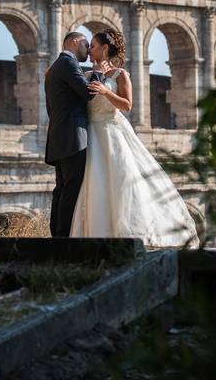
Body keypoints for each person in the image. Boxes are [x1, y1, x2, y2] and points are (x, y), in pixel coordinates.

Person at [71, 28, 199, 248]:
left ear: (104, 48)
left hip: (111, 133)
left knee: (119, 184)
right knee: (93, 186)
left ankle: (122, 237)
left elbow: (128, 105)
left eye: (92, 46)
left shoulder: (121, 74)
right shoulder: (85, 76)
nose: (89, 51)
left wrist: (105, 92)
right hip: (91, 133)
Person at [43, 31, 95, 237]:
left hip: (59, 138)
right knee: (71, 188)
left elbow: (50, 108)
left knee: (61, 190)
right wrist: (98, 72)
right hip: (73, 137)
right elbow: (88, 92)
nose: (88, 50)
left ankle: (57, 234)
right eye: (85, 45)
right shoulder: (68, 63)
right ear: (74, 42)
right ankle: (64, 238)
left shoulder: (54, 68)